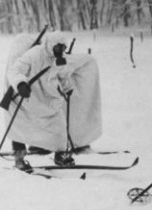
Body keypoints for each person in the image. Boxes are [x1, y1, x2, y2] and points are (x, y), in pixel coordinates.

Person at [4, 31, 103, 172]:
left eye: (63, 48)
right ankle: (19, 159)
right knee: (20, 129)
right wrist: (20, 84)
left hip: (47, 101)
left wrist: (68, 88)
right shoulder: (34, 54)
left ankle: (60, 156)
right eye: (58, 47)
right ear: (50, 45)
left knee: (59, 128)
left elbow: (63, 76)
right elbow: (15, 70)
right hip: (28, 99)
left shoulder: (60, 59)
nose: (61, 50)